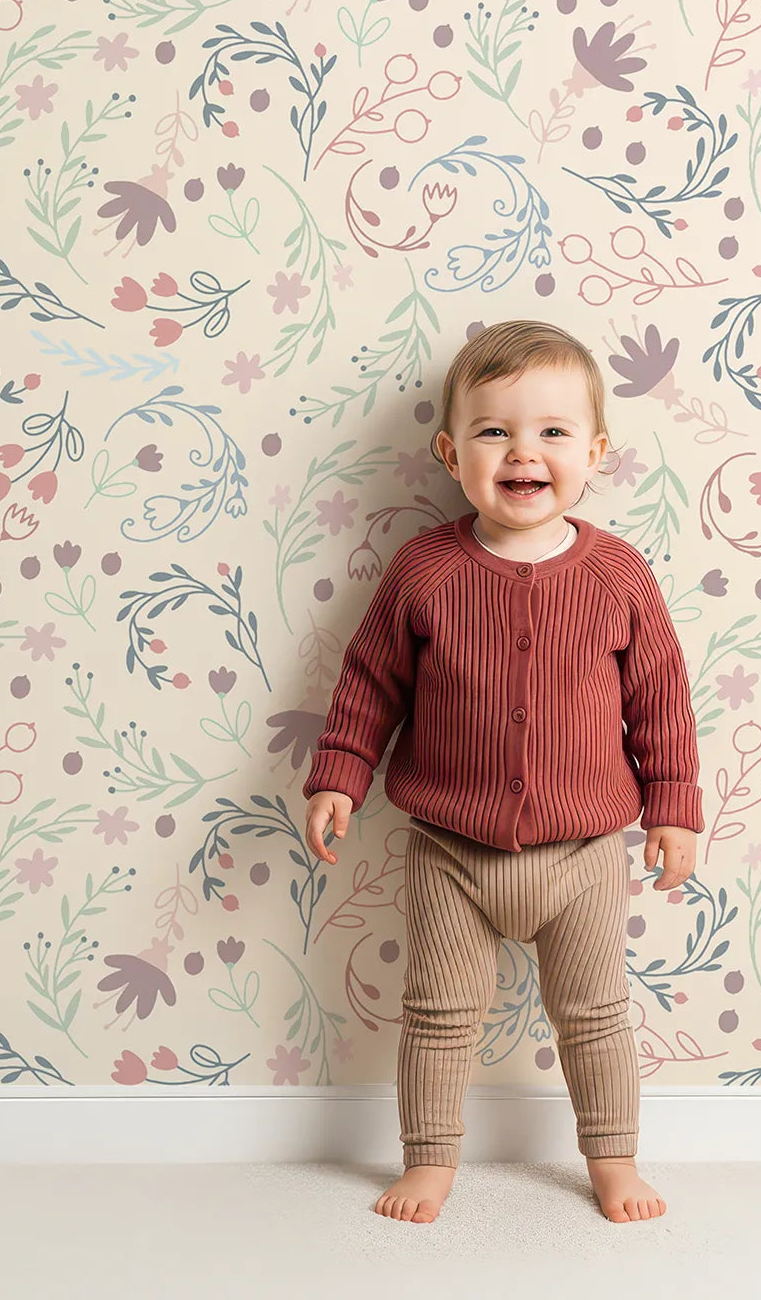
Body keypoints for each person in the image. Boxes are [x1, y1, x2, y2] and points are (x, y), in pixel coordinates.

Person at [302, 320, 704, 1224]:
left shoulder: (618, 575)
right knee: (438, 1015)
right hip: (452, 848)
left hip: (585, 851)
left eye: (553, 431)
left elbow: (661, 699)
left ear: (594, 452)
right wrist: (339, 773)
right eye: (494, 432)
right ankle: (429, 1161)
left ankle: (613, 1159)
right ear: (452, 454)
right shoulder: (425, 569)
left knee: (595, 1016)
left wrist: (674, 807)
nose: (524, 452)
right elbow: (370, 682)